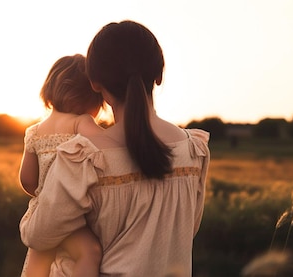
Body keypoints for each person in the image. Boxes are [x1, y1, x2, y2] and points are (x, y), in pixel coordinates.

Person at [20, 20, 211, 276]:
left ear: (95, 84)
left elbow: (38, 236)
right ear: (158, 74)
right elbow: (187, 230)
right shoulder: (193, 152)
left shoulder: (84, 159)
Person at [19, 54, 104, 277]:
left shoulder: (34, 131)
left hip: (40, 217)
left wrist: (44, 197)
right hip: (66, 217)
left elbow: (27, 180)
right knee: (91, 252)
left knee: (37, 262)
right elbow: (108, 147)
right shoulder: (80, 123)